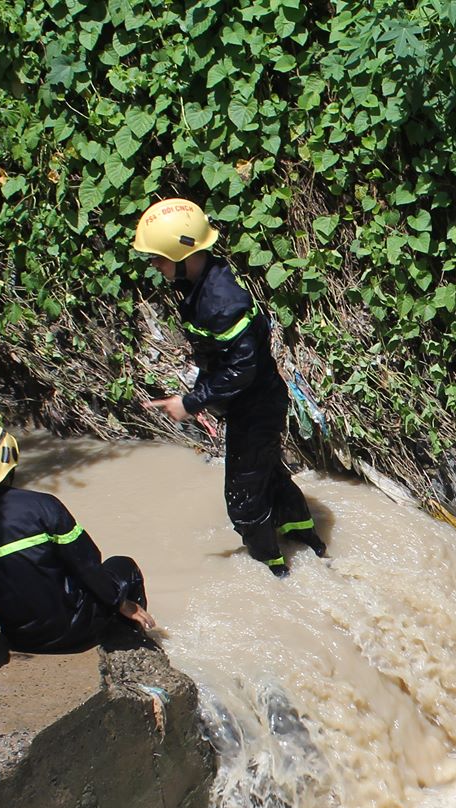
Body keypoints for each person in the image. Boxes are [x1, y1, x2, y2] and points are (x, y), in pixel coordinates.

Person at [131, 197, 326, 575]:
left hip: (255, 409)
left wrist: (192, 401)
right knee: (269, 472)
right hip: (254, 404)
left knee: (243, 501)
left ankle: (275, 572)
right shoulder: (201, 284)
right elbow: (226, 359)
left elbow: (243, 368)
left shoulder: (222, 301)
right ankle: (309, 540)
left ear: (180, 252)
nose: (153, 265)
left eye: (156, 257)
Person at [0, 416, 158, 651]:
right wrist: (120, 602)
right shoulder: (42, 507)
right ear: (8, 456)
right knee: (125, 566)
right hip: (77, 630)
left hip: (21, 640)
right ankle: (138, 641)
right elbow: (87, 564)